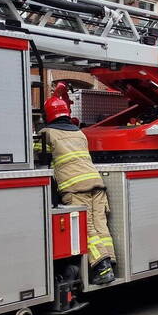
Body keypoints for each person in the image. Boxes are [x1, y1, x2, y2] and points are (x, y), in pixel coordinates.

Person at [41, 90, 116, 285]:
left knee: (88, 229)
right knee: (100, 226)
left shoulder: (47, 134)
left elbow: (40, 159)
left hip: (75, 188)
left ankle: (102, 267)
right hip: (96, 184)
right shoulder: (80, 133)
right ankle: (110, 262)